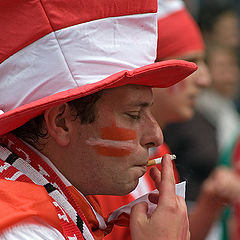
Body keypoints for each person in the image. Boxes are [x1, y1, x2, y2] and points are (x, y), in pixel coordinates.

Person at [0, 0, 197, 239]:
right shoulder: (24, 228)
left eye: (149, 114)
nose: (156, 136)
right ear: (62, 122)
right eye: (133, 115)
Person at [96, 1, 240, 240]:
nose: (204, 79)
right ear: (150, 71)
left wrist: (209, 203)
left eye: (203, 62)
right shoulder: (106, 163)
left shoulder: (158, 151)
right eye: (189, 61)